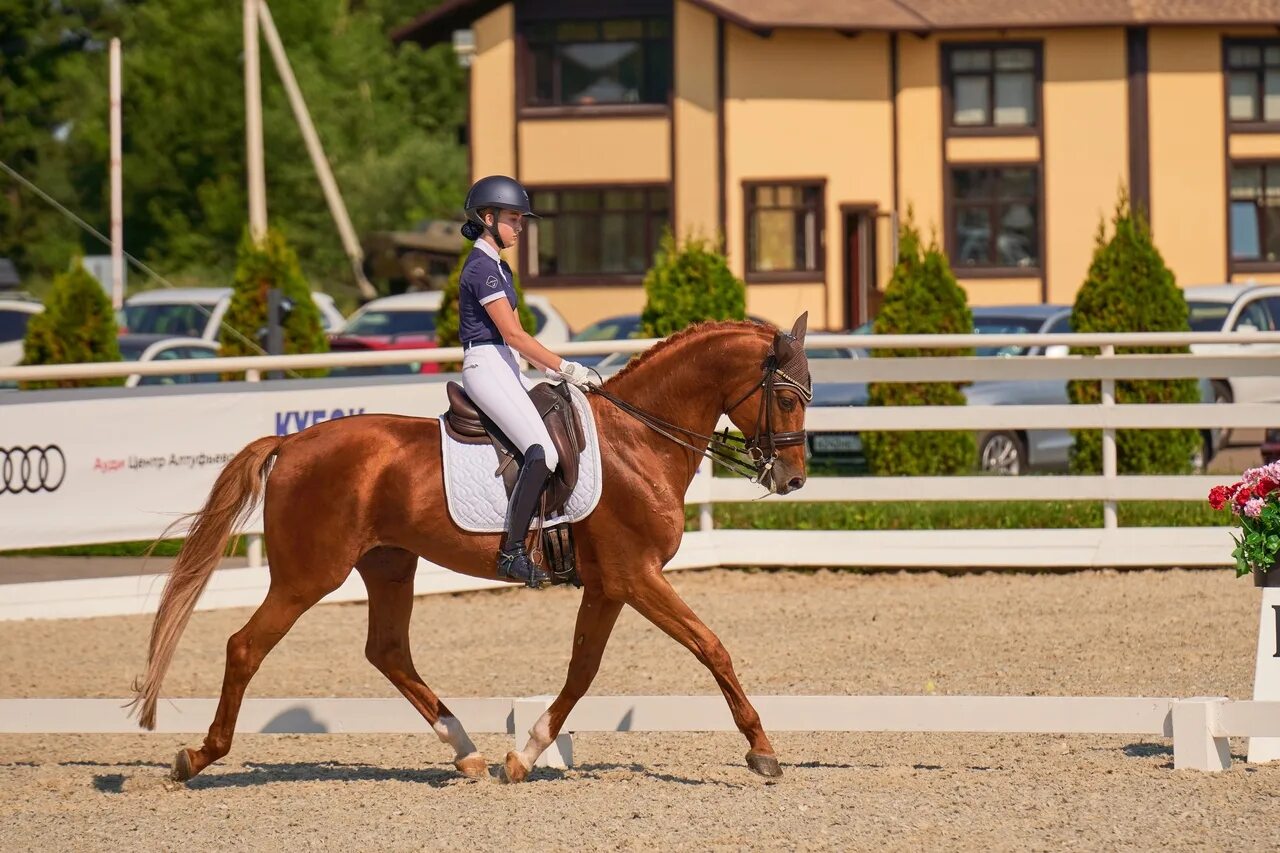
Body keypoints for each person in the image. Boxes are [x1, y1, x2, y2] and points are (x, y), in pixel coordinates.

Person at [456, 175, 592, 588]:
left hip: (505, 363)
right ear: (487, 217)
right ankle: (511, 552)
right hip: (486, 363)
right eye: (513, 219)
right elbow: (513, 334)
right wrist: (565, 367)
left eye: (520, 219)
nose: (520, 226)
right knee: (542, 451)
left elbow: (516, 336)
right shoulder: (482, 268)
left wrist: (548, 369)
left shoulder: (499, 266)